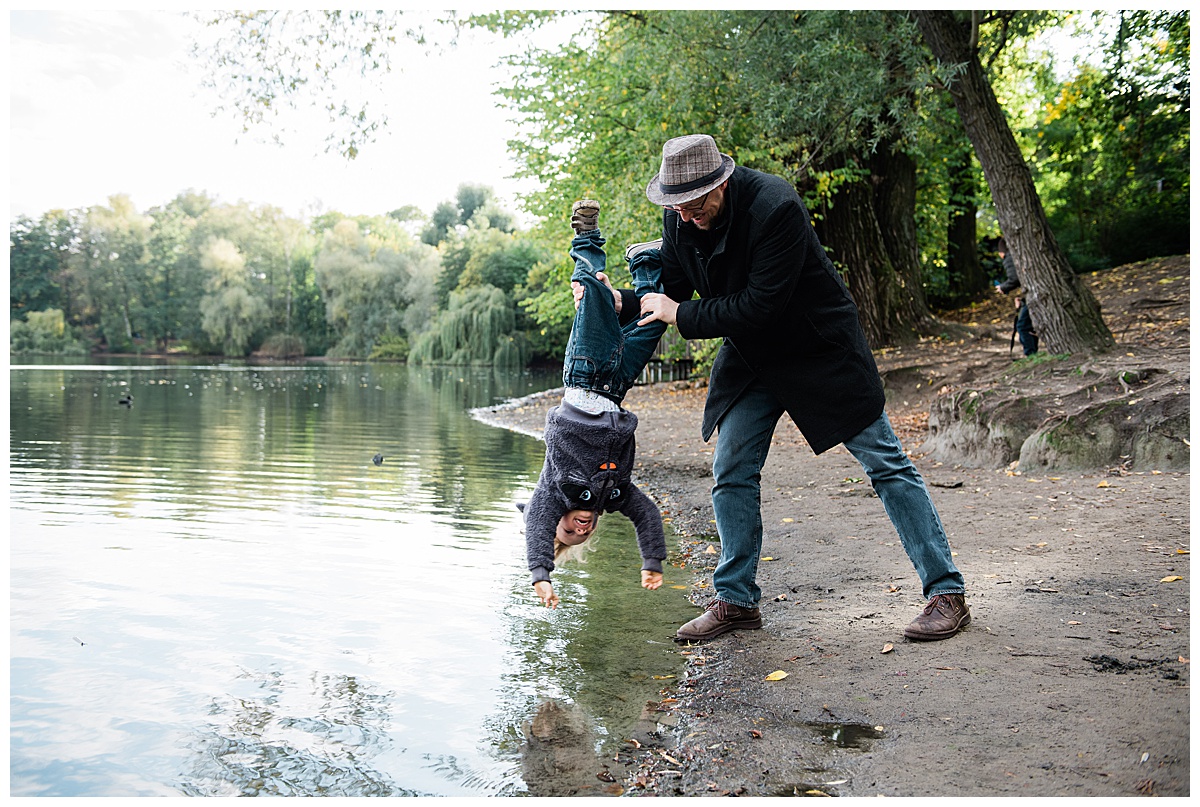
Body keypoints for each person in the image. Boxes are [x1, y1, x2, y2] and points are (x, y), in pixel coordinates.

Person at [611, 133, 970, 642]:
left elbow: (761, 305)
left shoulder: (776, 205)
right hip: (753, 358)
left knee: (887, 465)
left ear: (722, 183)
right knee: (731, 470)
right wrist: (620, 300)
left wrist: (680, 314)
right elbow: (672, 288)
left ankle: (947, 593)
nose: (685, 218)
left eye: (694, 206)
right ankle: (736, 602)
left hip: (818, 349)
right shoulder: (680, 215)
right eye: (677, 209)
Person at [520, 200, 669, 610]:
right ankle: (645, 261)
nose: (579, 529)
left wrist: (541, 575)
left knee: (593, 292)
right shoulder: (616, 494)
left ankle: (586, 234)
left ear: (558, 520)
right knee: (654, 320)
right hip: (616, 387)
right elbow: (647, 515)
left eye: (568, 530)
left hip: (583, 374)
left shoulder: (554, 491)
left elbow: (536, 524)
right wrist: (652, 561)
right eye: (582, 535)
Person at [995, 237, 1039, 356]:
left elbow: (1014, 279)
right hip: (1033, 295)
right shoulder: (1019, 255)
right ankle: (1033, 353)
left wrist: (1003, 287)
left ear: (1000, 252)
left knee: (1022, 326)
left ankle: (1031, 355)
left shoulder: (1009, 258)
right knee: (1028, 326)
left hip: (1033, 296)